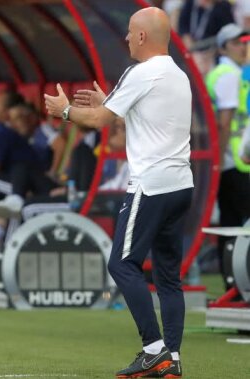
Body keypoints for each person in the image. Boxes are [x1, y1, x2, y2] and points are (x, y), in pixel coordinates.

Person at [45, 7, 193, 379]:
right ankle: (171, 360)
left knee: (121, 264)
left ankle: (153, 350)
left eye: (129, 32)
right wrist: (106, 106)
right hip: (181, 185)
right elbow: (143, 119)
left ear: (142, 37)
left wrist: (64, 112)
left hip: (151, 185)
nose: (126, 38)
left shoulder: (141, 71)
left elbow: (97, 122)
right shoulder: (178, 74)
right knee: (168, 277)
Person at [205, 23, 250, 294]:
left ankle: (232, 286)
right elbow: (225, 122)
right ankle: (237, 285)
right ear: (223, 47)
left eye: (244, 42)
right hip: (235, 162)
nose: (243, 46)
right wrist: (219, 162)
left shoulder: (222, 73)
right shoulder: (231, 75)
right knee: (239, 225)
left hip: (231, 161)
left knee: (231, 225)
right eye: (236, 43)